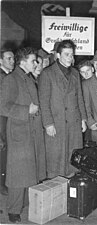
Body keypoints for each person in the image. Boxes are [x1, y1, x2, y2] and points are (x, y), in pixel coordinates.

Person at [1, 47, 46, 223]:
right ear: (23, 61)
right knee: (17, 175)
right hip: (19, 133)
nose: (36, 63)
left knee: (29, 173)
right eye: (33, 60)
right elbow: (3, 106)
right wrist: (26, 110)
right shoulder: (11, 79)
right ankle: (13, 210)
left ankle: (23, 205)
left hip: (31, 131)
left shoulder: (27, 78)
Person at [38, 39, 87, 178]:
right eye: (66, 54)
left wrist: (83, 119)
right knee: (56, 160)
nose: (70, 58)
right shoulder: (47, 74)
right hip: (56, 123)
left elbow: (80, 99)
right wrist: (48, 124)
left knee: (72, 159)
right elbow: (44, 101)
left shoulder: (75, 74)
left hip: (73, 123)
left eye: (72, 55)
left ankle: (70, 190)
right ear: (58, 55)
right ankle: (55, 190)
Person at [0, 49, 15, 195]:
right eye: (8, 59)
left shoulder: (9, 76)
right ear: (0, 61)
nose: (12, 61)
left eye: (13, 59)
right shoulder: (2, 77)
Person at [78, 59, 94, 146]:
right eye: (83, 72)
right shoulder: (81, 85)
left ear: (92, 69)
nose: (86, 74)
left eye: (88, 70)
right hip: (87, 120)